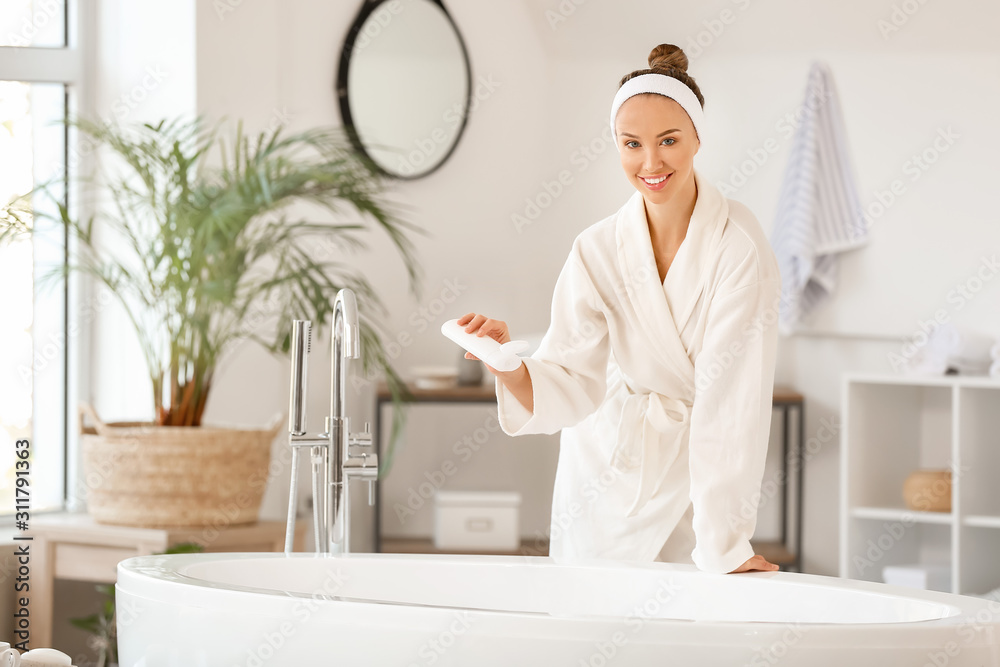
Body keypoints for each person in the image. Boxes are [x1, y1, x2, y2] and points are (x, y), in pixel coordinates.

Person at [460, 43, 782, 575]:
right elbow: (569, 380)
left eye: (669, 141)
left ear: (698, 138)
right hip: (600, 471)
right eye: (632, 144)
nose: (650, 163)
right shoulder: (597, 248)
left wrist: (725, 544)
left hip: (689, 480)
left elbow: (732, 406)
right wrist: (507, 363)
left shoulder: (737, 247)